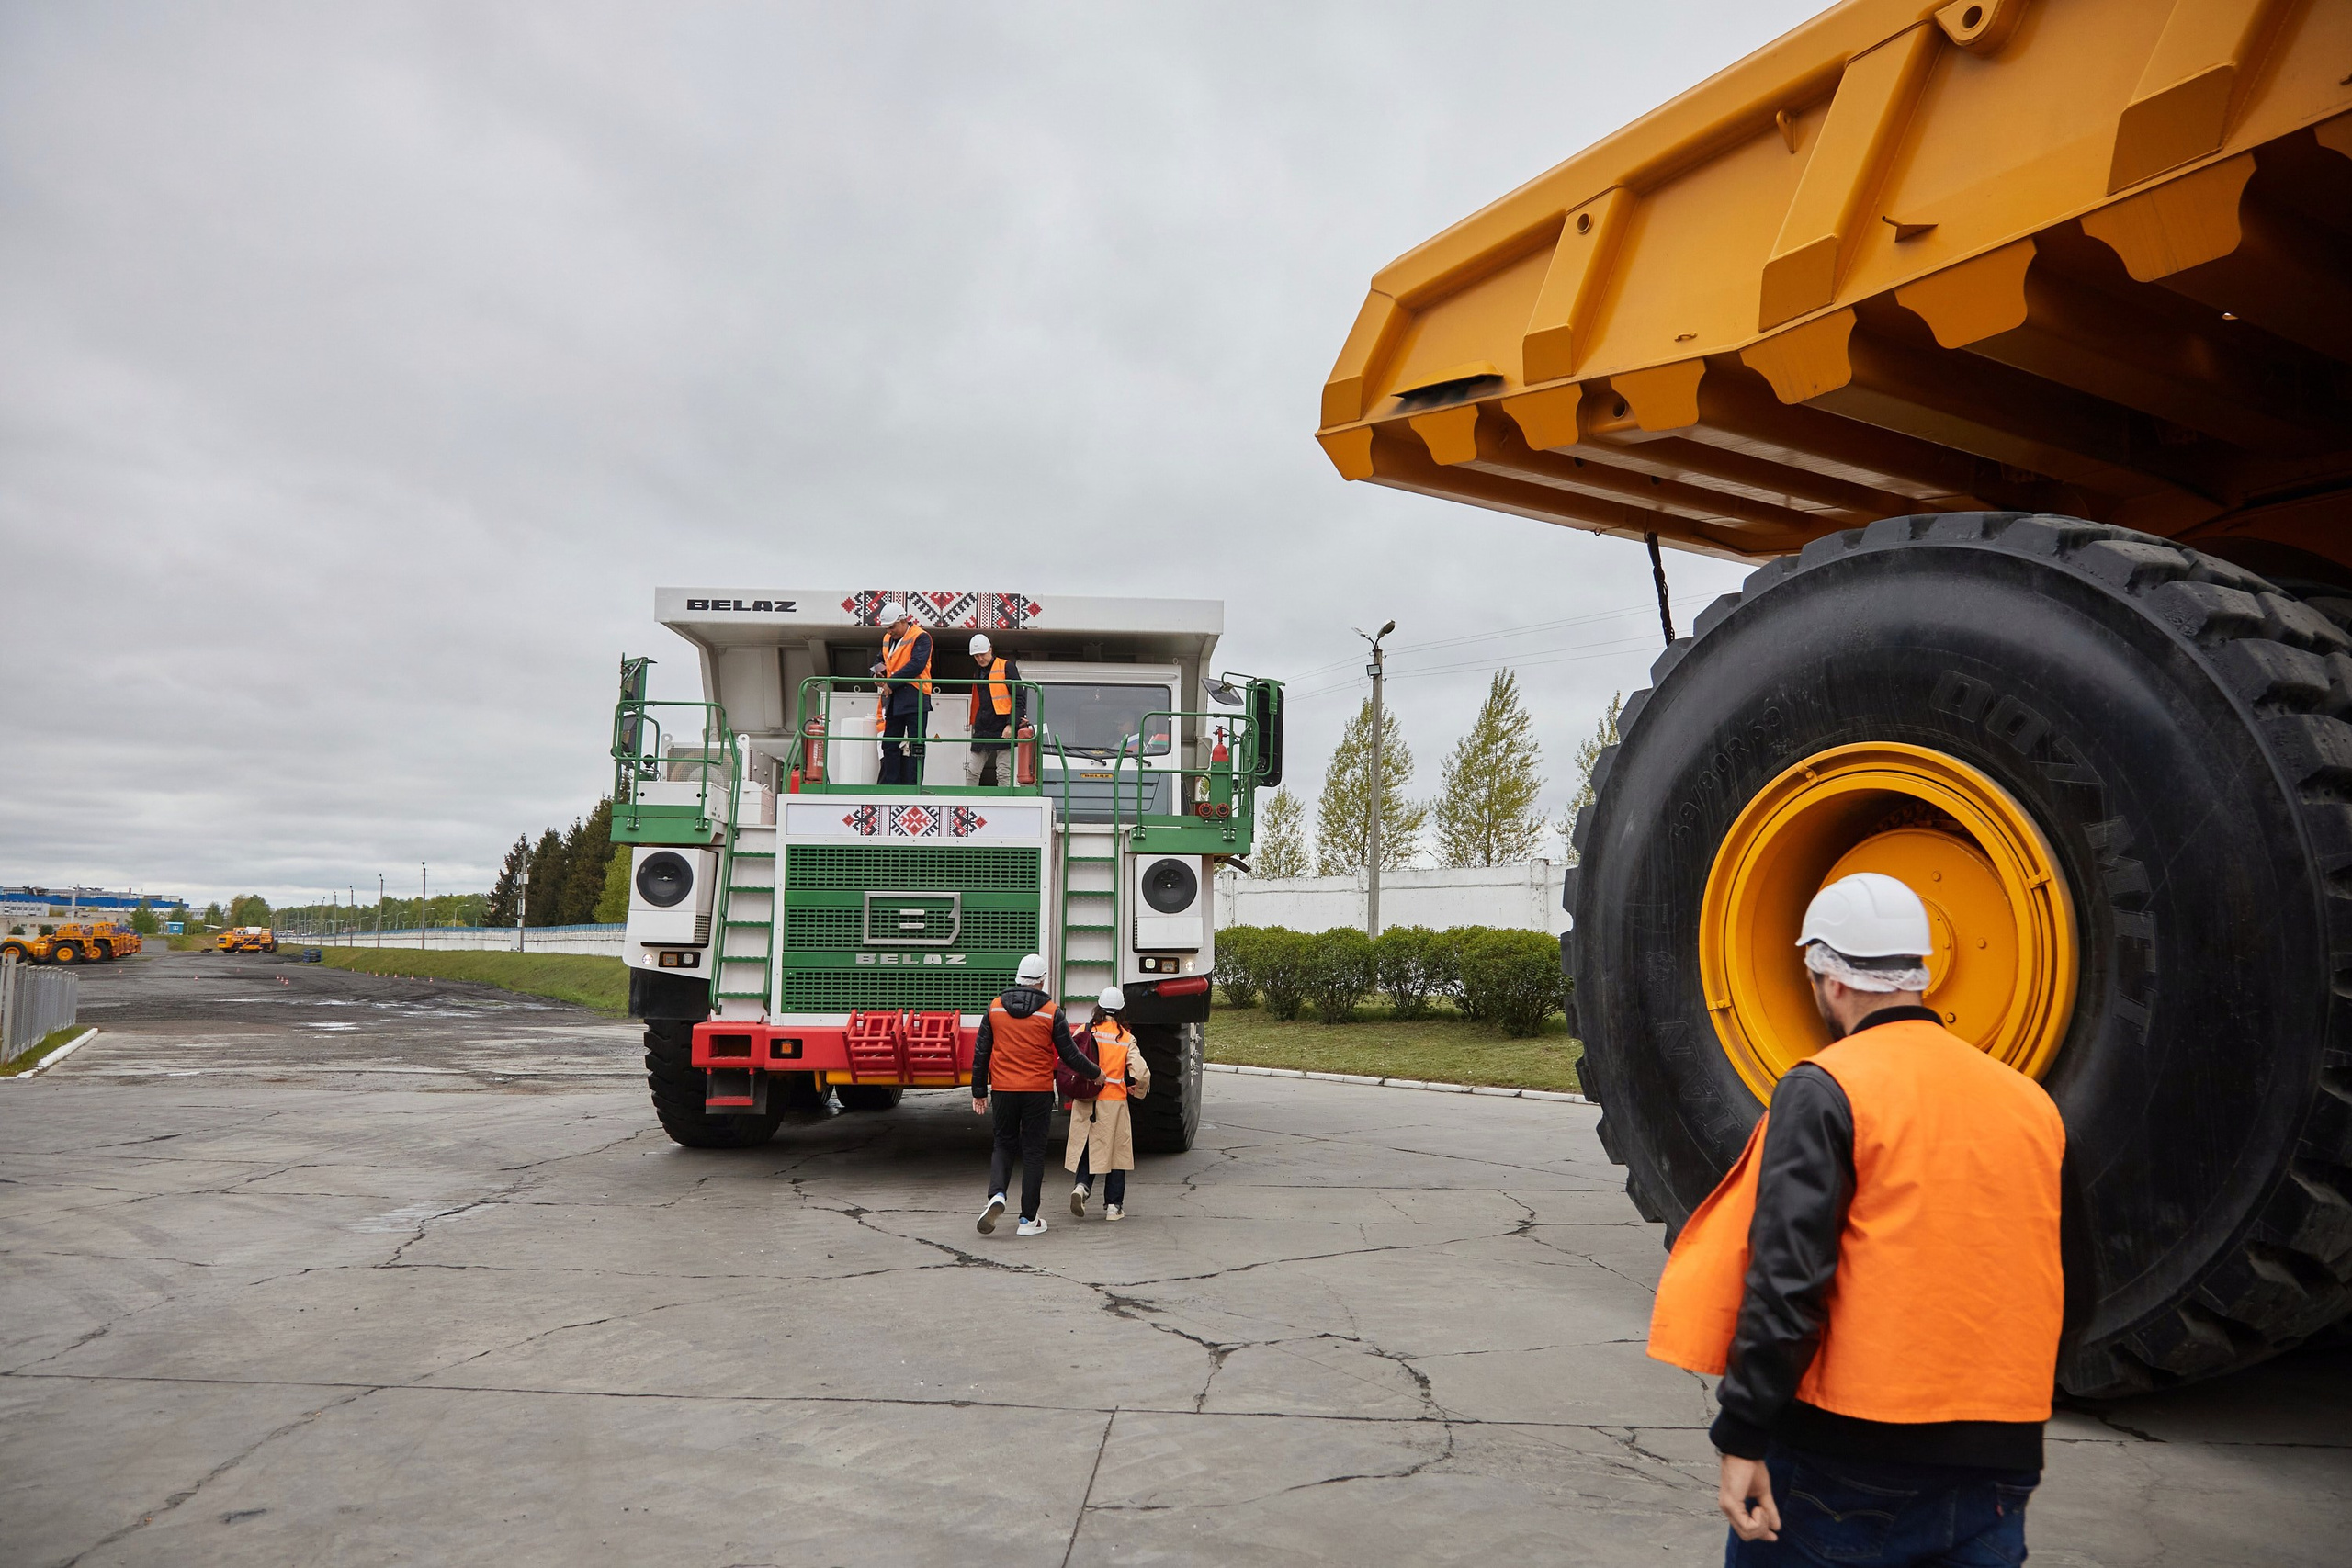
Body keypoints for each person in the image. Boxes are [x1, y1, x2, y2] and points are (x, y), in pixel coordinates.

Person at [1646, 872, 2071, 1566]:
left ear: (1832, 979)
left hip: (1848, 1457)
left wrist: (1743, 1433)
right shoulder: (2028, 1102)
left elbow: (1788, 1281)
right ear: (1919, 975)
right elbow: (2062, 1277)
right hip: (2001, 1456)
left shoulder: (1827, 1087)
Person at [973, 953, 1102, 1237]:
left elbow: (981, 1052)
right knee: (1033, 1152)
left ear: (1018, 978)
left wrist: (979, 1091)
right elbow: (1070, 1055)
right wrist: (1096, 1073)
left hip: (1004, 1090)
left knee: (1003, 1144)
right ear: (1043, 981)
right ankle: (1028, 1220)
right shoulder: (1051, 1012)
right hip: (1037, 1092)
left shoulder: (995, 1008)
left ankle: (996, 1195)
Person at [1068, 984, 1151, 1220]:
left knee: (1089, 1146)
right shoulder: (1126, 1038)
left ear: (1099, 1008)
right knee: (1117, 1153)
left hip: (1086, 1098)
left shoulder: (1084, 1030)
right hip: (1114, 1101)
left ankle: (1081, 1186)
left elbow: (1070, 1058)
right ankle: (1114, 1207)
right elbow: (1141, 1072)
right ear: (1122, 1010)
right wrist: (1139, 1090)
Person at [871, 602, 932, 786]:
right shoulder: (887, 639)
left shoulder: (921, 637)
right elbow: (879, 661)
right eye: (887, 628)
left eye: (892, 627)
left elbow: (916, 665)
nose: (890, 632)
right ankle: (892, 786)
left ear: (903, 620)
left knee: (916, 745)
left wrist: (890, 683)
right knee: (889, 743)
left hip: (915, 696)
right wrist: (876, 675)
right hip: (895, 698)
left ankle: (913, 786)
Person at [963, 632, 1025, 788]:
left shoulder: (1006, 667)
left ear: (990, 649)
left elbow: (1019, 698)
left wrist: (1011, 724)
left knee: (1004, 773)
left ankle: (1004, 801)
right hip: (983, 727)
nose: (980, 659)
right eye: (976, 656)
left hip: (1003, 726)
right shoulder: (978, 672)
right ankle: (968, 800)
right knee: (972, 771)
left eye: (982, 654)